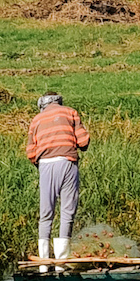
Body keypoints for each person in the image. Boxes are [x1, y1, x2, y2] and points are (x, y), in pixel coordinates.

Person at [25, 92, 90, 263]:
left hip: (46, 165)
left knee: (46, 214)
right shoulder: (70, 112)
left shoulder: (36, 120)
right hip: (67, 163)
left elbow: (31, 152)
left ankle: (44, 264)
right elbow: (83, 142)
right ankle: (62, 262)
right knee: (67, 212)